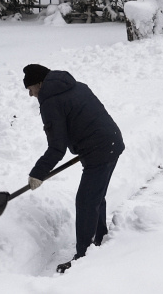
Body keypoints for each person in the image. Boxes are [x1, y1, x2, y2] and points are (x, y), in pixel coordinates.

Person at [22, 64, 125, 274]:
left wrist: (38, 173)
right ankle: (99, 237)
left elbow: (57, 147)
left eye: (30, 89)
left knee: (86, 200)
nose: (31, 94)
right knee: (94, 195)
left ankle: (83, 257)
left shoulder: (50, 101)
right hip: (111, 140)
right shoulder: (75, 86)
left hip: (99, 149)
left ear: (40, 83)